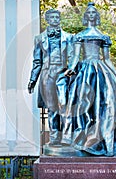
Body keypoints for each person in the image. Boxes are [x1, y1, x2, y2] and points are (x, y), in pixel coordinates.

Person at [61, 2, 116, 156]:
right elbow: (75, 56)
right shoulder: (79, 35)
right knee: (84, 104)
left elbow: (107, 59)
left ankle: (108, 143)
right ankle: (83, 140)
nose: (91, 15)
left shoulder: (103, 36)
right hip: (86, 71)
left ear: (97, 16)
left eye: (94, 12)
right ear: (86, 16)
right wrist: (71, 69)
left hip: (102, 70)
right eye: (89, 13)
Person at [28, 9, 73, 146]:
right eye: (52, 17)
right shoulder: (39, 38)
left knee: (65, 105)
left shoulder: (69, 37)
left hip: (63, 74)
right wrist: (32, 80)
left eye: (57, 17)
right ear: (47, 20)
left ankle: (67, 136)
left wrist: (72, 71)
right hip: (47, 75)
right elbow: (37, 61)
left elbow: (72, 57)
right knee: (52, 107)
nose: (55, 19)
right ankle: (54, 137)